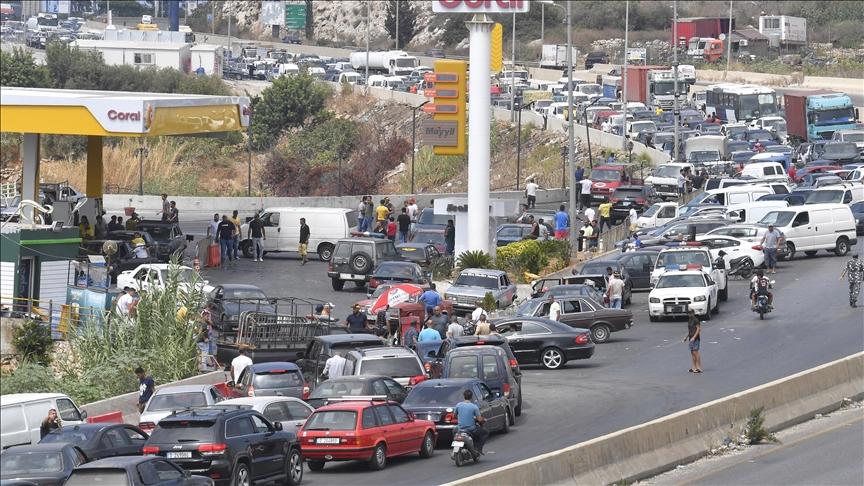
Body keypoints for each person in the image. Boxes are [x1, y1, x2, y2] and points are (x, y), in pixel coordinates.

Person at [455, 389, 489, 454]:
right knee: (485, 432)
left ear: (464, 396)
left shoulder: (458, 405)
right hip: (471, 429)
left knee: (454, 431)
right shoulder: (474, 407)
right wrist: (484, 419)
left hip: (460, 428)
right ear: (471, 397)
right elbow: (479, 419)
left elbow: (455, 415)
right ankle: (479, 449)